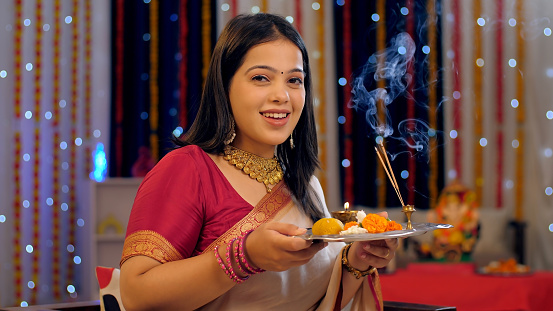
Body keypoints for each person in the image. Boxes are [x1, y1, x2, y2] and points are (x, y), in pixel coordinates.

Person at [119, 13, 398, 311]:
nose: (282, 95)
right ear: (225, 86)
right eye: (260, 78)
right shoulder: (188, 169)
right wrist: (245, 257)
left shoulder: (306, 185)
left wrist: (357, 261)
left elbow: (319, 296)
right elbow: (136, 294)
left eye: (294, 80)